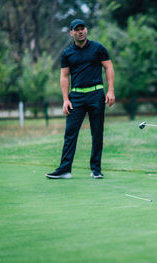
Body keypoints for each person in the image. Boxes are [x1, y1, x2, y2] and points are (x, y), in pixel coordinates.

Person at [46, 19, 115, 179]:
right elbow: (64, 76)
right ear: (71, 33)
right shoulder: (67, 53)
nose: (80, 31)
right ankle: (65, 170)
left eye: (82, 28)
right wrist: (65, 99)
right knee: (70, 133)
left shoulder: (98, 48)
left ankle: (96, 169)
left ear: (86, 30)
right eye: (76, 30)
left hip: (96, 94)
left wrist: (110, 91)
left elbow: (108, 67)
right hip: (76, 97)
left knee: (97, 133)